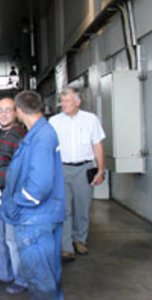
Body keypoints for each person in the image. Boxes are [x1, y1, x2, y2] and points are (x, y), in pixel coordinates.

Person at [0, 90, 65, 300]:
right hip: (41, 216)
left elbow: (39, 185)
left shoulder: (41, 136)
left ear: (18, 111)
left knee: (40, 280)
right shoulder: (38, 133)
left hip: (34, 220)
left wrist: (17, 204)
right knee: (47, 277)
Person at [49, 87, 106, 260]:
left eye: (67, 101)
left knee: (83, 207)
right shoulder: (54, 121)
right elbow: (49, 148)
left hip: (84, 168)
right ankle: (66, 247)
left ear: (77, 102)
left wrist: (101, 170)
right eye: (62, 101)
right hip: (62, 169)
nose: (63, 104)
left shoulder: (91, 120)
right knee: (64, 209)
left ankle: (79, 240)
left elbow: (97, 145)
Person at [0, 98, 27, 294]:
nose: (3, 114)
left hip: (11, 192)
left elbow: (20, 166)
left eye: (7, 110)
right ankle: (2, 272)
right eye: (0, 110)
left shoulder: (21, 136)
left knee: (13, 238)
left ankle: (21, 279)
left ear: (16, 113)